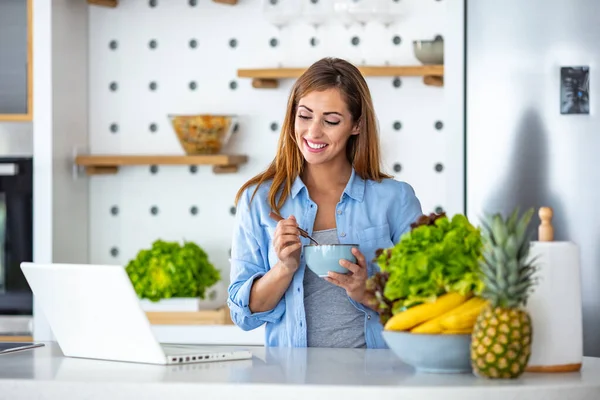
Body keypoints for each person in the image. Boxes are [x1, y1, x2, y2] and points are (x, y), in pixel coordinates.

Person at [227, 57, 423, 348]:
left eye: (331, 120)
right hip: (294, 385)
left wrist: (366, 293)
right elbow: (243, 315)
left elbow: (426, 305)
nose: (313, 132)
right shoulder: (258, 200)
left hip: (378, 383)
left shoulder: (395, 199)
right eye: (304, 116)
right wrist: (283, 267)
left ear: (356, 125)